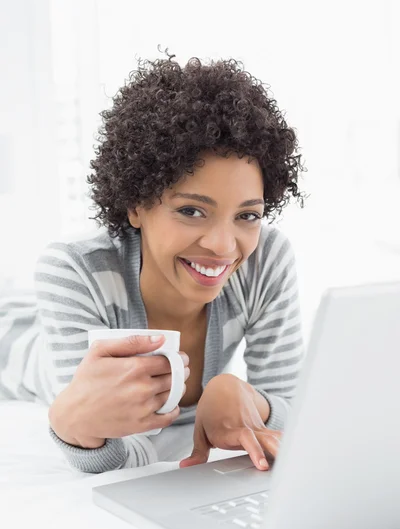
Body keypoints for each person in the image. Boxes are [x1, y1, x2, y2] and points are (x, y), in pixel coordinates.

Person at [0, 52, 307, 474]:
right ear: (136, 206)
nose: (222, 246)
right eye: (192, 211)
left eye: (247, 215)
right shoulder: (74, 272)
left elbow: (294, 412)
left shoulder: (266, 262)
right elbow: (119, 451)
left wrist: (247, 399)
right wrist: (76, 429)